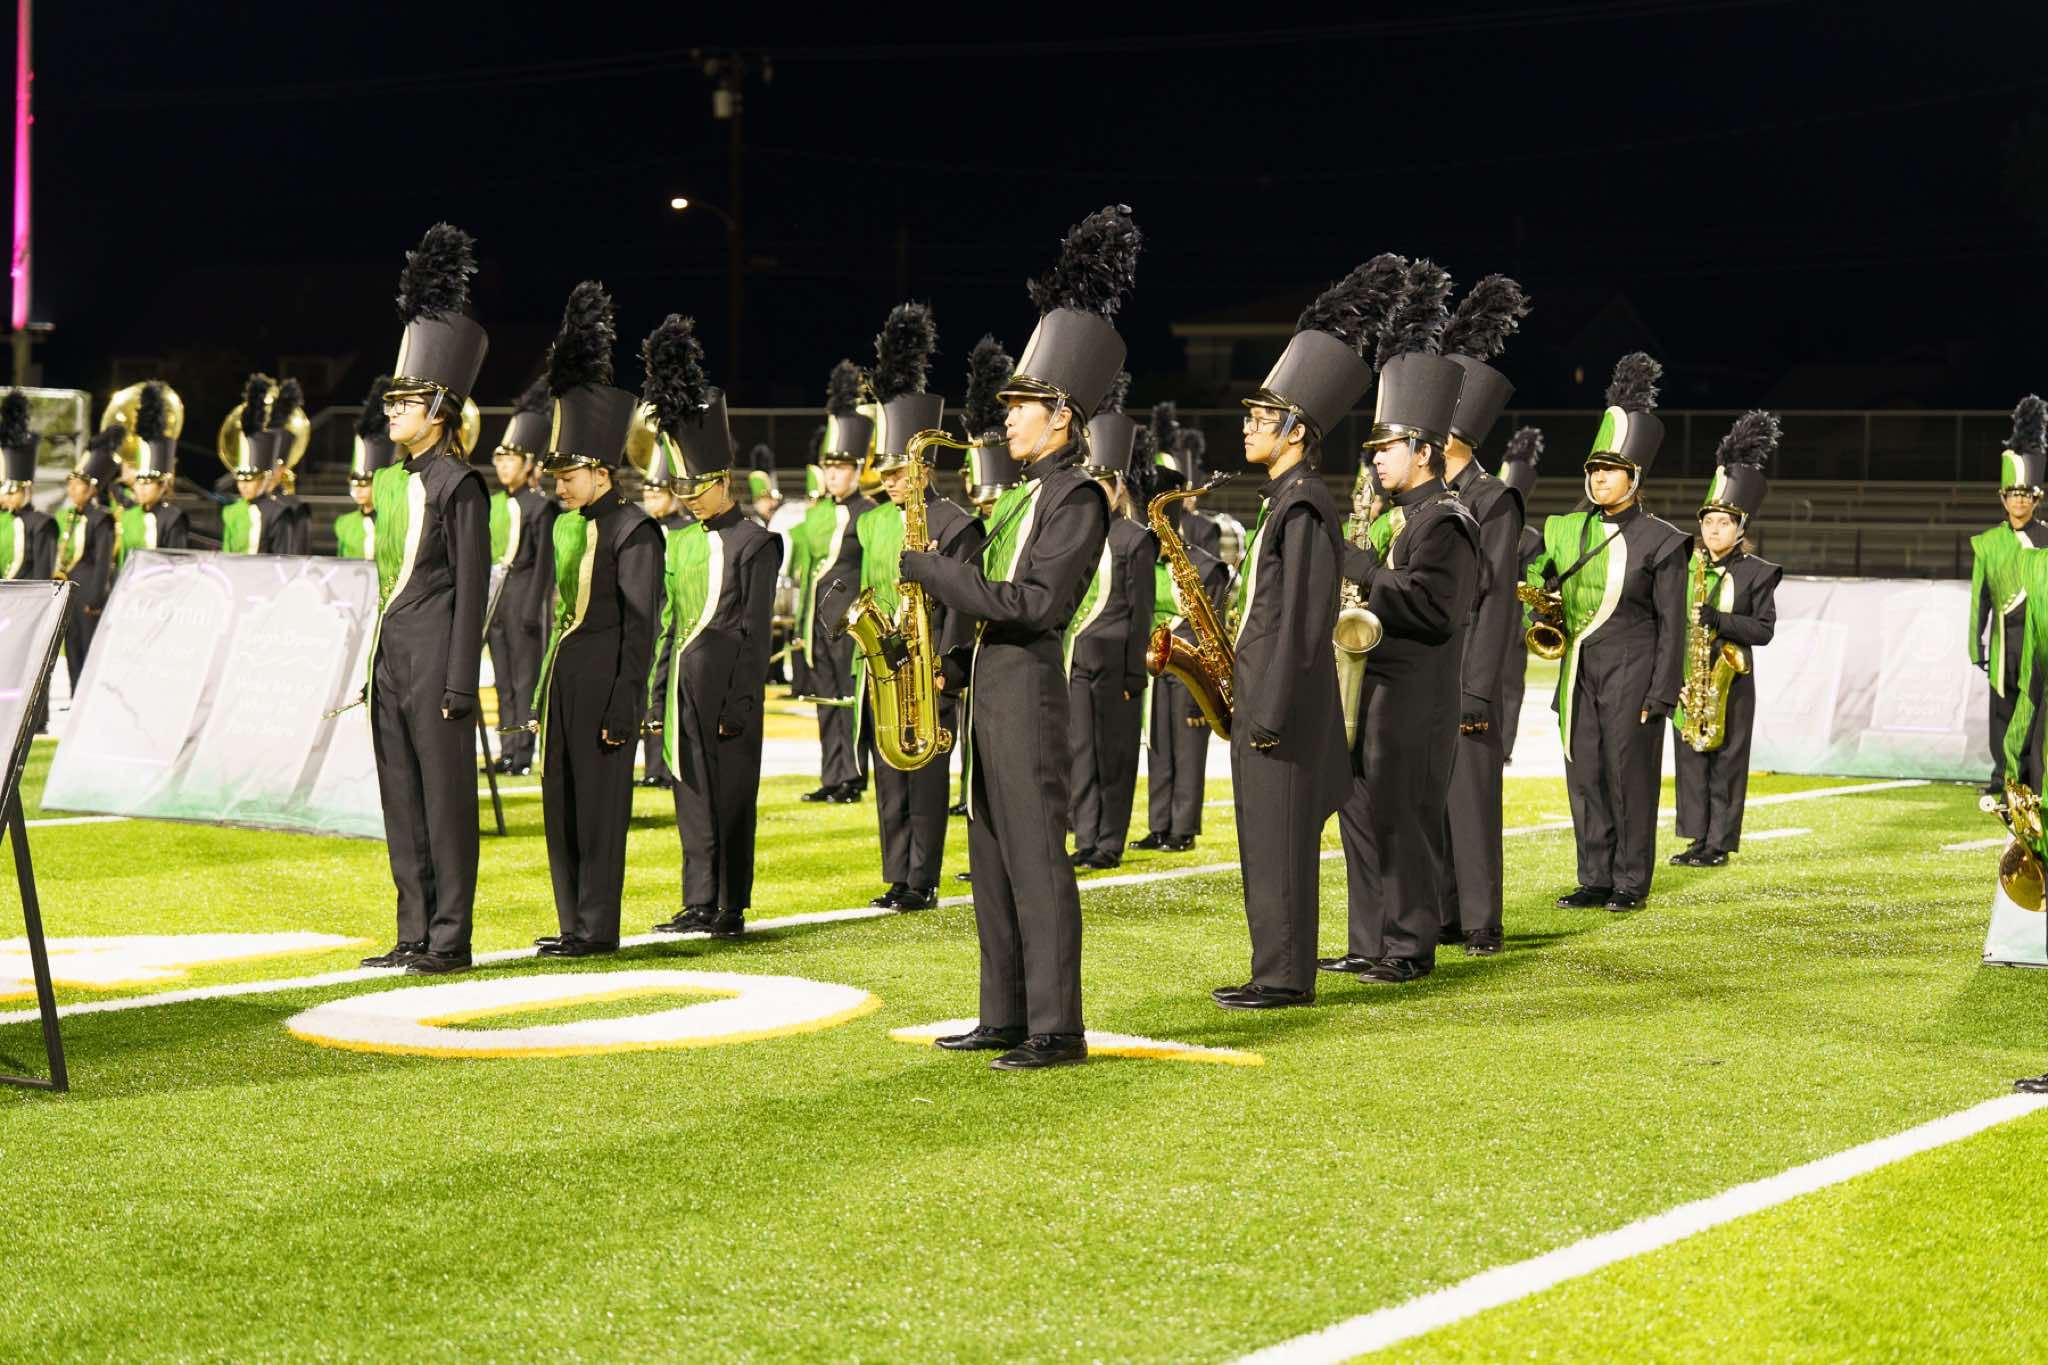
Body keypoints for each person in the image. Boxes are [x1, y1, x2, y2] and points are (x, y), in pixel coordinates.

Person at [897, 203, 1136, 1069]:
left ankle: (1056, 1026)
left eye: (1022, 407)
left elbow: (1034, 602)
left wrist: (933, 572)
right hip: (993, 693)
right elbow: (994, 602)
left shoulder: (1077, 497)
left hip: (1033, 696)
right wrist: (952, 662)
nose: (1007, 419)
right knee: (993, 863)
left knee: (1037, 865)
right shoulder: (1021, 498)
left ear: (1063, 416)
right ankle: (1002, 1013)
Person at [1212, 260, 1382, 1009]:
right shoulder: (1280, 500)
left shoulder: (1306, 504)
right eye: (1250, 416)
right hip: (1259, 702)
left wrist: (1272, 708)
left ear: (1298, 431)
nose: (1248, 426)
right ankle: (1269, 967)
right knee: (1261, 843)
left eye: (1262, 417)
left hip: (1282, 711)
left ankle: (1286, 977)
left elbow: (1308, 622)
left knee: (1281, 846)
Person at [1318, 256, 1482, 986]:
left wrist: (1360, 570)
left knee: (1405, 821)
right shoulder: (1401, 519)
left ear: (1423, 450)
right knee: (1361, 817)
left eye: (1386, 449)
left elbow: (1435, 608)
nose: (1377, 461)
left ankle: (1410, 946)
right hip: (1374, 692)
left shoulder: (1446, 522)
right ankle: (1368, 942)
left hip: (1416, 700)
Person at [356, 224, 492, 976]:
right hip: (391, 662)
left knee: (445, 804)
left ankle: (450, 937)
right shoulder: (392, 482)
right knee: (402, 801)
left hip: (438, 664)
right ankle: (412, 929)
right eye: (392, 400)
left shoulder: (460, 485)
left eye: (404, 401)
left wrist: (460, 681)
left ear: (439, 407)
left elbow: (471, 588)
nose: (392, 411)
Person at [822, 303, 985, 911]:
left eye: (898, 471)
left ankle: (922, 879)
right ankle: (897, 875)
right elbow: (846, 579)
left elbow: (964, 602)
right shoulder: (869, 522)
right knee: (889, 773)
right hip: (883, 663)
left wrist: (947, 665)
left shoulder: (958, 524)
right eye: (884, 472)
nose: (888, 481)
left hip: (930, 668)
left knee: (924, 777)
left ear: (923, 467)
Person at [1525, 352, 1689, 913]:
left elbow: (1673, 624)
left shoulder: (1663, 540)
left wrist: (1662, 693)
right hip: (1579, 674)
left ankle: (1630, 882)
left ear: (1634, 477)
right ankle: (1594, 877)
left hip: (1635, 671)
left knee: (1629, 780)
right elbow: (1539, 580)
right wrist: (1540, 613)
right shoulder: (1566, 529)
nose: (1598, 478)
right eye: (1593, 469)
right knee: (1585, 775)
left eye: (1610, 470)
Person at [528, 282, 663, 959]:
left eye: (568, 475)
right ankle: (570, 921)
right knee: (559, 803)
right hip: (564, 684)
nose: (558, 484)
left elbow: (640, 628)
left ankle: (596, 926)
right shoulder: (566, 525)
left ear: (603, 473)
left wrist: (623, 704)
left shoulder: (636, 530)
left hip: (606, 684)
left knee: (600, 812)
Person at [638, 318, 782, 940]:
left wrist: (742, 702)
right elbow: (668, 624)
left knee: (730, 797)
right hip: (683, 689)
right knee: (690, 793)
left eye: (698, 486)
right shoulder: (679, 541)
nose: (690, 497)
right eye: (682, 487)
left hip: (729, 694)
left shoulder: (757, 542)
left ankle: (729, 903)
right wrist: (656, 694)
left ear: (723, 480)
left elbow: (754, 633)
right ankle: (697, 899)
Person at [1434, 275, 1532, 956]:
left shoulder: (1494, 500)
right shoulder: (1420, 498)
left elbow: (1495, 601)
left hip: (1468, 669)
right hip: (1423, 666)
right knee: (1430, 797)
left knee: (1470, 798)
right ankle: (1442, 912)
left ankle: (1481, 921)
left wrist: (1476, 690)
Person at [1672, 411, 1783, 868]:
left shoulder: (1758, 572)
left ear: (1741, 528)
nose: (1713, 530)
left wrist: (1720, 620)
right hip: (1689, 677)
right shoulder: (1684, 567)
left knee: (1727, 761)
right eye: (1708, 522)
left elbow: (1764, 630)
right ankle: (1696, 837)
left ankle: (1719, 843)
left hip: (1731, 680)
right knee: (1690, 761)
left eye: (1723, 522)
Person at [1133, 402, 1231, 853]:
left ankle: (1183, 828)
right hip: (1159, 661)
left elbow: (1210, 625)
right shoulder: (1146, 561)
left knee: (1187, 748)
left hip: (1188, 660)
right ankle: (1159, 824)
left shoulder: (1207, 566)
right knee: (1158, 747)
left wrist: (1198, 684)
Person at [1067, 377, 1156, 870]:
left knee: (1114, 756)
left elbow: (1141, 611)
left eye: (1103, 484)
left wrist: (1134, 673)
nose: (1096, 493)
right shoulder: (1076, 534)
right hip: (1079, 657)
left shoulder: (1134, 537)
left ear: (1119, 487)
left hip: (1119, 661)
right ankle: (1085, 837)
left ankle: (1109, 842)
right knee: (1081, 751)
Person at [799, 362, 875, 804]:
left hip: (850, 625)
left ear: (857, 470)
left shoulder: (869, 512)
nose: (832, 474)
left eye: (841, 468)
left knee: (851, 701)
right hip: (817, 622)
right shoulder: (818, 513)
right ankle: (832, 775)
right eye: (828, 467)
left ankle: (853, 777)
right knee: (826, 702)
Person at [1970, 396, 2048, 794]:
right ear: (2002, 498)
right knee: (2002, 710)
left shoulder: (2047, 539)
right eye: (2012, 494)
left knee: (2035, 713)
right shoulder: (1987, 543)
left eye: (2025, 494)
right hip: (2005, 641)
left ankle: (2033, 780)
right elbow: (1980, 599)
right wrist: (1976, 645)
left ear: (2037, 498)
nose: (2019, 500)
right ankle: (2002, 779)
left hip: (2040, 642)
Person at [487, 380, 555, 775]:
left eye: (510, 459)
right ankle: (507, 749)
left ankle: (524, 752)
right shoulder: (493, 503)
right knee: (502, 679)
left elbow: (544, 563)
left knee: (525, 679)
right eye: (499, 459)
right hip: (497, 598)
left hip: (525, 595)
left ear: (529, 464)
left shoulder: (541, 507)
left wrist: (533, 607)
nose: (503, 466)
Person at [636, 430, 691, 790]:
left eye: (658, 493)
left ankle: (669, 766)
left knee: (669, 693)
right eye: (647, 493)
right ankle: (652, 767)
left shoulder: (686, 531)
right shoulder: (643, 530)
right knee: (647, 694)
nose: (651, 499)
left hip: (673, 622)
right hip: (647, 623)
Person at [56, 428, 121, 691]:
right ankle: (75, 696)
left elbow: (104, 561)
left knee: (88, 646)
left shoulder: (102, 518)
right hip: (70, 589)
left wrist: (96, 598)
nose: (71, 489)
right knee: (71, 646)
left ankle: (87, 697)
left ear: (92, 488)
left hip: (89, 590)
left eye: (78, 484)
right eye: (70, 484)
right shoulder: (69, 517)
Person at [1494, 427, 1543, 763]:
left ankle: (1504, 748)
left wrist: (1525, 626)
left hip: (1512, 623)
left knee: (1510, 687)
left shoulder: (1530, 539)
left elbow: (1532, 584)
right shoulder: (1478, 529)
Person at [119, 382, 189, 557]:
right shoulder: (127, 516)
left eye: (148, 483)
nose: (141, 488)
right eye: (139, 482)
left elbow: (177, 560)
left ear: (162, 486)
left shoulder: (173, 517)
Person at [335, 374, 395, 561]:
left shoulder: (396, 522)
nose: (358, 489)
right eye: (355, 482)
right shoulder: (344, 523)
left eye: (365, 483)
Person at [0, 392, 56, 582]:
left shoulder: (42, 524)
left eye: (10, 492)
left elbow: (43, 578)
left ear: (26, 489)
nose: (3, 498)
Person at [219, 375, 275, 556]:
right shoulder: (231, 512)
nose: (243, 485)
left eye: (250, 479)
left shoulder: (278, 513)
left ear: (265, 476)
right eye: (240, 478)